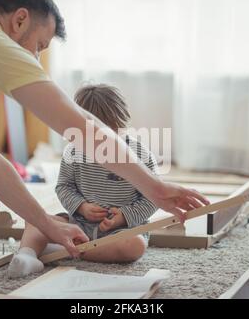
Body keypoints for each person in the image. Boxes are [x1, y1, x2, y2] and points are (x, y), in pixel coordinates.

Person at [0, 0, 209, 285]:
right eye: (39, 46)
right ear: (19, 21)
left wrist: (45, 222)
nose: (36, 59)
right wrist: (154, 186)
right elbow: (79, 126)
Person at [8, 84, 160, 278]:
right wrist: (81, 207)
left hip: (122, 230)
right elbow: (64, 186)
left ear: (123, 124)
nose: (104, 144)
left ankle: (58, 251)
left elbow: (153, 198)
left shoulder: (140, 154)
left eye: (113, 135)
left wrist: (124, 216)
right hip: (77, 225)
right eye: (95, 138)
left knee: (134, 246)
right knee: (36, 220)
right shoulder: (73, 151)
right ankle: (27, 255)